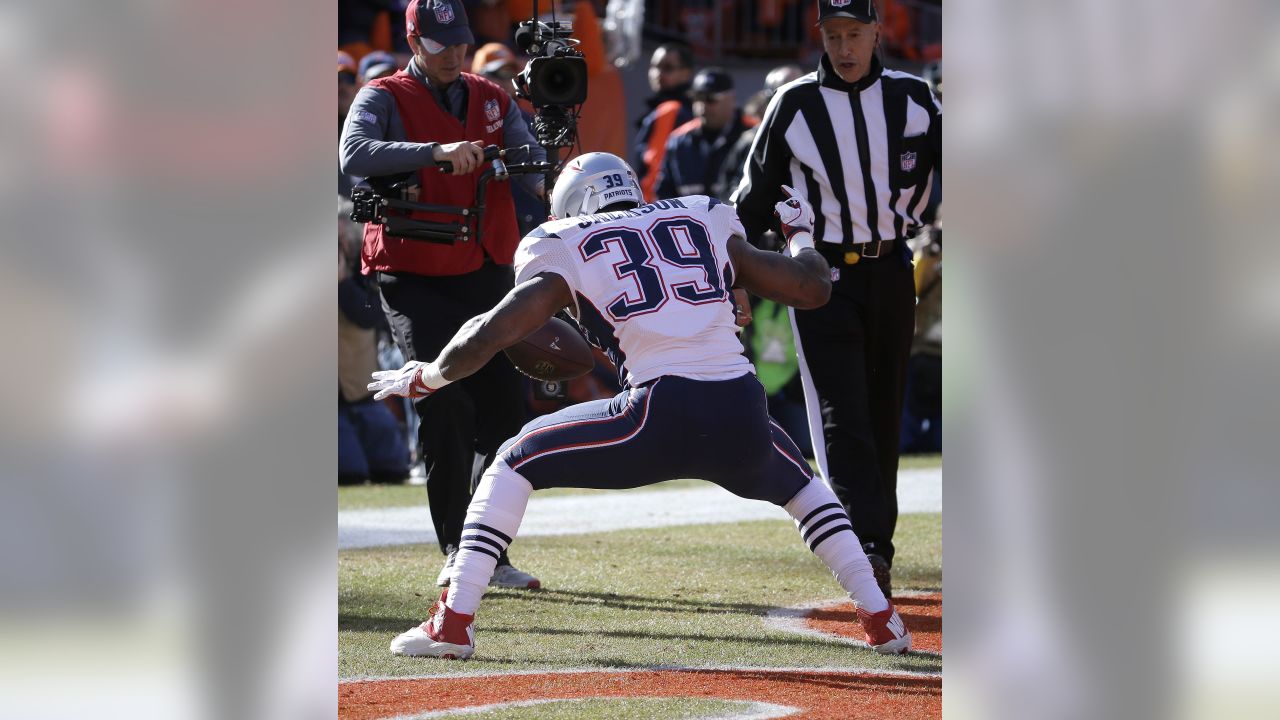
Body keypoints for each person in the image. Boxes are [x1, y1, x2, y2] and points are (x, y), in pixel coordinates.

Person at [368, 152, 912, 660]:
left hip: (656, 413)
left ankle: (453, 623)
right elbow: (811, 288)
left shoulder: (563, 239)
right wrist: (797, 235)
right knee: (805, 488)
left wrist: (430, 376)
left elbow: (493, 331)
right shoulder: (704, 217)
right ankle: (882, 619)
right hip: (742, 409)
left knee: (513, 459)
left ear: (572, 204)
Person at [733, 0, 941, 599]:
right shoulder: (794, 103)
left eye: (855, 34)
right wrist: (739, 274)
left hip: (893, 265)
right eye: (834, 35)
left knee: (883, 407)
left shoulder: (916, 99)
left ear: (877, 32)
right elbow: (750, 201)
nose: (845, 48)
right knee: (841, 413)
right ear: (820, 35)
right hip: (821, 274)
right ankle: (867, 549)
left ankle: (878, 541)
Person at [339, 0, 543, 590]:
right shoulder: (382, 95)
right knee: (444, 400)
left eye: (460, 43)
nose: (453, 55)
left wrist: (557, 171)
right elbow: (353, 156)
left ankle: (490, 554)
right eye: (439, 45)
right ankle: (457, 549)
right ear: (414, 40)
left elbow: (531, 164)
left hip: (486, 268)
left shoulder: (491, 96)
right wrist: (435, 153)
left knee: (507, 411)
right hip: (414, 275)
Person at [339, 204, 411, 485]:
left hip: (360, 388)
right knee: (349, 472)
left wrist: (342, 283)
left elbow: (370, 316)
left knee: (393, 468)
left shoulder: (362, 270)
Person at [653, 68, 758, 201]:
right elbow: (664, 193)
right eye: (697, 98)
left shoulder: (753, 136)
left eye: (710, 99)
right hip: (690, 220)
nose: (702, 106)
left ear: (731, 99)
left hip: (737, 220)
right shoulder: (678, 140)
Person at [633, 43, 695, 201]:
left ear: (686, 73)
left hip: (657, 203)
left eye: (668, 68)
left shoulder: (671, 110)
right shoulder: (668, 108)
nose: (658, 73)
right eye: (654, 67)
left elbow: (655, 166)